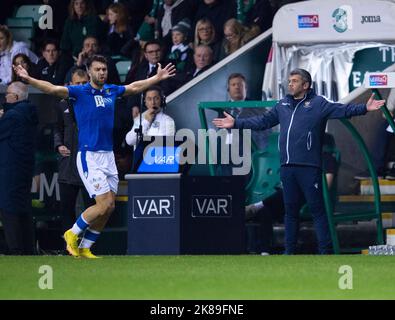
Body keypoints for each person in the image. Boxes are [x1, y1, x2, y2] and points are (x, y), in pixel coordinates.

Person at [14, 55, 176, 258]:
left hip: (108, 156)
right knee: (102, 204)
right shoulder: (80, 92)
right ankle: (71, 234)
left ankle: (84, 247)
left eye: (104, 69)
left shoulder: (111, 90)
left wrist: (156, 78)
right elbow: (53, 89)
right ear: (89, 72)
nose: (102, 72)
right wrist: (29, 79)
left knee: (109, 207)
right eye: (98, 69)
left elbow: (134, 87)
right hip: (89, 155)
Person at [213, 68, 386, 254]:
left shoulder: (319, 103)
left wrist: (365, 108)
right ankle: (290, 252)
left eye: (294, 81)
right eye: (289, 81)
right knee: (290, 212)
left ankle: (325, 252)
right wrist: (237, 123)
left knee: (317, 211)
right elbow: (262, 121)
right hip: (288, 168)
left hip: (309, 168)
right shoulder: (282, 105)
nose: (290, 84)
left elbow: (343, 110)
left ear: (305, 85)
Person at [245, 133, 339, 255]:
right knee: (266, 211)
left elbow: (326, 184)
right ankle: (264, 251)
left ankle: (256, 206)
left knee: (287, 195)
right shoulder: (303, 159)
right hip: (294, 196)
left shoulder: (327, 159)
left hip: (312, 196)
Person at [53, 68, 95, 239]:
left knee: (93, 207)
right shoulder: (62, 104)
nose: (81, 86)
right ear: (70, 84)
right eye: (77, 83)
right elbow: (57, 128)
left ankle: (90, 245)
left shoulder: (95, 103)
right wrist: (58, 145)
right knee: (66, 208)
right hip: (68, 163)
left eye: (84, 83)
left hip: (90, 163)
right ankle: (68, 246)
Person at [0, 81, 38, 255]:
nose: (4, 98)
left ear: (14, 97)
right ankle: (28, 248)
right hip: (24, 169)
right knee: (23, 208)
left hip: (10, 170)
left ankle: (16, 249)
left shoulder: (12, 116)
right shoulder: (29, 113)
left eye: (7, 94)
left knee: (9, 208)